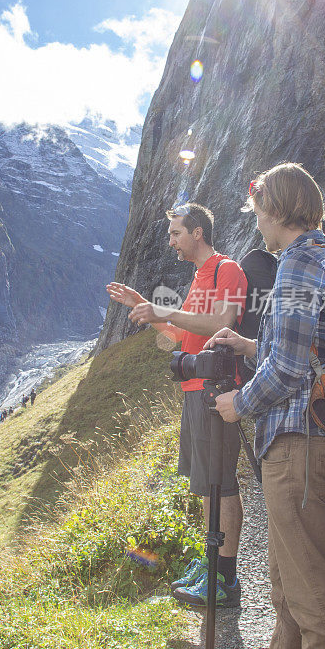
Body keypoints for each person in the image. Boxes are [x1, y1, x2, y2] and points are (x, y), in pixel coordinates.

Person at [209, 163, 325, 649]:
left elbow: (290, 370)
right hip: (316, 443)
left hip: (298, 448)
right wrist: (248, 347)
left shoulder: (296, 264)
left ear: (275, 209)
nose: (256, 224)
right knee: (290, 587)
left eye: (258, 212)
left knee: (313, 596)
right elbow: (305, 353)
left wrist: (239, 402)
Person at [107, 202, 248, 607]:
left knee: (221, 483)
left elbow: (223, 321)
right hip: (193, 388)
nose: (171, 242)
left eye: (176, 233)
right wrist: (145, 308)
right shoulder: (199, 276)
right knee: (206, 483)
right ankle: (212, 563)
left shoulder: (227, 269)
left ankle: (226, 579)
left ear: (198, 232)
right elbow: (178, 335)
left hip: (217, 388)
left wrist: (163, 309)